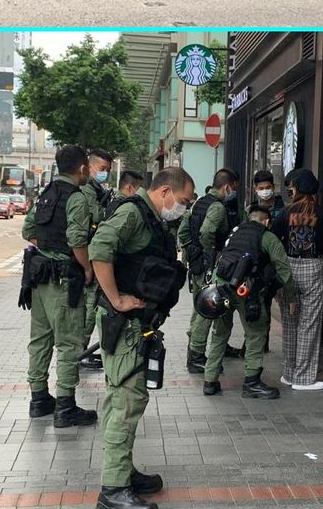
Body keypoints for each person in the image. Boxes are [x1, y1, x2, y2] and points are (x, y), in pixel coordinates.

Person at [89, 167, 193, 509]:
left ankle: (123, 472)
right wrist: (117, 299)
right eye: (182, 201)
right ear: (165, 191)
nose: (183, 207)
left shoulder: (151, 219)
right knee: (125, 403)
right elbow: (99, 249)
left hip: (138, 323)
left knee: (127, 398)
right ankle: (114, 490)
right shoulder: (133, 213)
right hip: (125, 323)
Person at [20, 144, 98, 428]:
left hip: (38, 278)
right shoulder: (76, 198)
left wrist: (50, 247)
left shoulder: (47, 193)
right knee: (68, 342)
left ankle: (39, 398)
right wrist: (88, 268)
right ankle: (65, 405)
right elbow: (78, 240)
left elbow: (28, 230)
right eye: (88, 166)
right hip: (64, 280)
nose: (89, 171)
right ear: (81, 168)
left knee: (40, 339)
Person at [200, 205, 296, 399]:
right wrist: (291, 297)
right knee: (256, 333)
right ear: (267, 222)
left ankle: (210, 381)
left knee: (220, 332)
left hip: (220, 289)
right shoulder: (267, 236)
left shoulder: (235, 232)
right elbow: (284, 270)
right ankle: (252, 382)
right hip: (245, 291)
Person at [272, 169, 323, 391]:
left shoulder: (285, 212)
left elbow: (273, 240)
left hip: (288, 268)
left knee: (289, 321)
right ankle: (303, 378)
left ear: (297, 188)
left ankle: (289, 373)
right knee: (309, 323)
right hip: (313, 267)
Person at [176, 168, 238, 372]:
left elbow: (184, 232)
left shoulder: (198, 202)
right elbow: (206, 232)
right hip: (208, 265)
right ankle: (196, 356)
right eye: (233, 188)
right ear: (227, 186)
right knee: (207, 309)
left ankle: (194, 349)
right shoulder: (217, 207)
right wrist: (211, 258)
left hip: (196, 263)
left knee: (199, 306)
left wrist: (191, 251)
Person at [80, 148, 114, 370]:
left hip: (89, 257)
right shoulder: (87, 191)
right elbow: (97, 217)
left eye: (108, 170)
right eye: (102, 169)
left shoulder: (95, 189)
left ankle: (79, 353)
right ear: (89, 167)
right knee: (88, 311)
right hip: (86, 260)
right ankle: (79, 353)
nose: (105, 174)